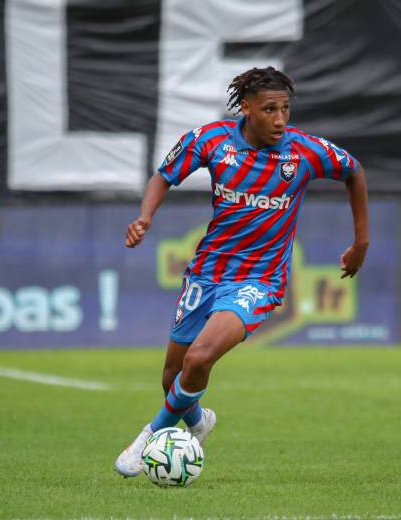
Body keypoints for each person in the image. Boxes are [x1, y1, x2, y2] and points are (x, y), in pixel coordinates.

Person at [114, 66, 370, 477]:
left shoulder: (303, 152)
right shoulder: (210, 140)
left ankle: (148, 437)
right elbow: (164, 176)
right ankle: (198, 421)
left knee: (200, 358)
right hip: (206, 273)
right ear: (246, 108)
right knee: (173, 377)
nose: (280, 119)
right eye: (270, 110)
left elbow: (353, 170)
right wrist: (144, 217)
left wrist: (361, 243)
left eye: (285, 109)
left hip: (259, 281)